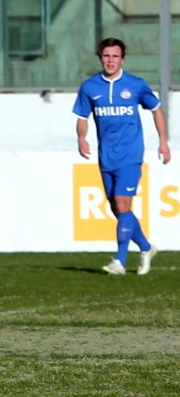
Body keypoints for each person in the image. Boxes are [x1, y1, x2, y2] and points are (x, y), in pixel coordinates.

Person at [73, 37, 171, 276]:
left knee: (122, 203)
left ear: (122, 59)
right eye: (106, 56)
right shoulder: (90, 87)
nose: (110, 60)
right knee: (118, 210)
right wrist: (82, 138)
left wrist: (163, 141)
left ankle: (119, 260)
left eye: (115, 56)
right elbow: (82, 118)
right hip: (106, 156)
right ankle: (146, 248)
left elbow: (156, 109)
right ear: (101, 58)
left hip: (131, 154)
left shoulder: (135, 85)